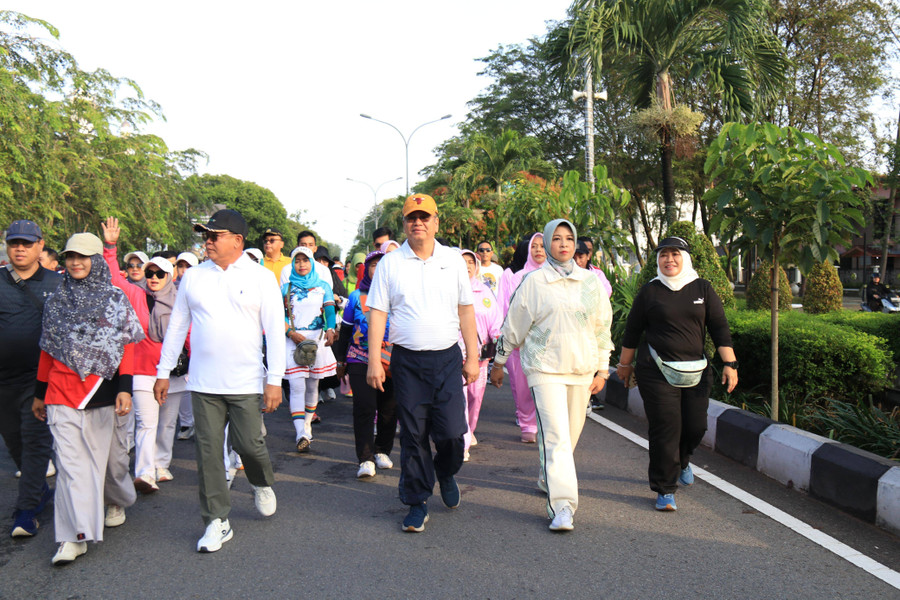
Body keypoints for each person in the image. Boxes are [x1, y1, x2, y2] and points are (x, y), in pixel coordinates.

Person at [153, 209, 285, 553]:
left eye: (214, 236)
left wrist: (275, 379)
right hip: (203, 382)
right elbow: (178, 326)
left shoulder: (260, 277)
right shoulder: (194, 277)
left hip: (245, 380)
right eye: (205, 236)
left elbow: (275, 330)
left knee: (249, 444)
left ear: (237, 241)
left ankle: (260, 482)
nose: (207, 242)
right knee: (208, 451)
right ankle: (216, 520)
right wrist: (163, 372)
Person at [490, 219, 613, 532]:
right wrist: (499, 361)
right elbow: (513, 325)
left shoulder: (590, 282)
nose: (563, 244)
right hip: (544, 369)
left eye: (569, 238)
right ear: (547, 243)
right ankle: (563, 507)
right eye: (556, 238)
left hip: (581, 370)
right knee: (556, 437)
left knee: (568, 438)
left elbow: (602, 328)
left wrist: (603, 368)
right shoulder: (534, 282)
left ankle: (549, 476)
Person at [366, 193, 479, 533]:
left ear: (436, 222)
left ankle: (445, 471)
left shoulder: (453, 261)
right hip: (407, 362)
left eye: (424, 217)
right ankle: (417, 501)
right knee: (414, 436)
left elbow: (466, 310)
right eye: (411, 217)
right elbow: (378, 313)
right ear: (404, 224)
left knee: (452, 435)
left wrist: (473, 357)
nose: (418, 222)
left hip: (447, 359)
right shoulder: (391, 263)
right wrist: (374, 361)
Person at [33, 232, 144, 565]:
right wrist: (39, 393)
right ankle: (73, 536)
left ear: (96, 261)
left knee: (105, 465)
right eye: (70, 256)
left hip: (102, 393)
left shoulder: (115, 298)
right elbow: (48, 349)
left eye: (83, 256)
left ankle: (116, 500)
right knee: (70, 467)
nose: (75, 262)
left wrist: (125, 387)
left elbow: (126, 346)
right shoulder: (56, 300)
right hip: (60, 393)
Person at [617, 236, 738, 512]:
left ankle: (683, 461)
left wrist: (730, 364)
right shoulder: (650, 291)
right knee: (665, 427)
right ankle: (665, 488)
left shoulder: (702, 288)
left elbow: (719, 327)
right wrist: (624, 366)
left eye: (674, 254)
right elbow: (632, 331)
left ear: (685, 258)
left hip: (697, 370)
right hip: (656, 371)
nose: (669, 259)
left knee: (696, 427)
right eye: (663, 255)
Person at [102, 217, 188, 494]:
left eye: (159, 274)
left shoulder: (182, 300)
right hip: (141, 371)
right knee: (146, 423)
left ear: (170, 276)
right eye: (149, 273)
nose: (153, 278)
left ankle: (161, 464)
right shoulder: (136, 295)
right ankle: (144, 473)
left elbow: (189, 335)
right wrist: (110, 247)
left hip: (173, 372)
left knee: (167, 424)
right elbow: (114, 278)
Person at [0, 220, 60, 539]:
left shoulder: (57, 282)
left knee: (36, 443)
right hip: (3, 381)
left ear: (40, 245)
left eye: (26, 243)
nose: (20, 248)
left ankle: (26, 512)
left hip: (40, 382)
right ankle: (39, 491)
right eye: (14, 243)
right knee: (15, 441)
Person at [333, 250, 397, 478]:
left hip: (392, 359)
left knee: (389, 409)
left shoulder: (399, 294)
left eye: (382, 265)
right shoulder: (355, 297)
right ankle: (366, 458)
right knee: (365, 407)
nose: (378, 269)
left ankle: (382, 451)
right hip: (360, 357)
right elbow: (346, 330)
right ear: (366, 269)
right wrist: (341, 361)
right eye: (373, 265)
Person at [283, 246, 337, 452]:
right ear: (292, 264)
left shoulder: (323, 286)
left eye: (305, 260)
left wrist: (331, 328)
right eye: (297, 261)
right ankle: (300, 433)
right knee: (297, 387)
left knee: (313, 386)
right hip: (293, 341)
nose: (301, 265)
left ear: (312, 262)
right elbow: (278, 316)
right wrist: (291, 333)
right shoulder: (285, 288)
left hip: (317, 341)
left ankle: (307, 426)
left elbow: (329, 312)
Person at [496, 232, 545, 443]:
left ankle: (544, 424)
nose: (538, 250)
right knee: (523, 387)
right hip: (521, 342)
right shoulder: (519, 277)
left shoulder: (555, 275)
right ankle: (527, 423)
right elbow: (510, 306)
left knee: (545, 387)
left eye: (542, 246)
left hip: (547, 343)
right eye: (534, 246)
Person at [459, 249, 503, 461]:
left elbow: (495, 318)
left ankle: (470, 429)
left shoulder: (485, 292)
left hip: (480, 357)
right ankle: (463, 441)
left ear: (476, 267)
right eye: (463, 261)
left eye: (471, 262)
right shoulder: (449, 289)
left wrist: (497, 335)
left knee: (475, 398)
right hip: (456, 355)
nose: (467, 265)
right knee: (459, 399)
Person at [174, 251, 198, 440]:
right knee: (182, 383)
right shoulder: (171, 288)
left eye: (188, 266)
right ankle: (187, 423)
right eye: (180, 266)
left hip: (198, 342)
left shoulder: (203, 286)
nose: (184, 270)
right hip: (180, 342)